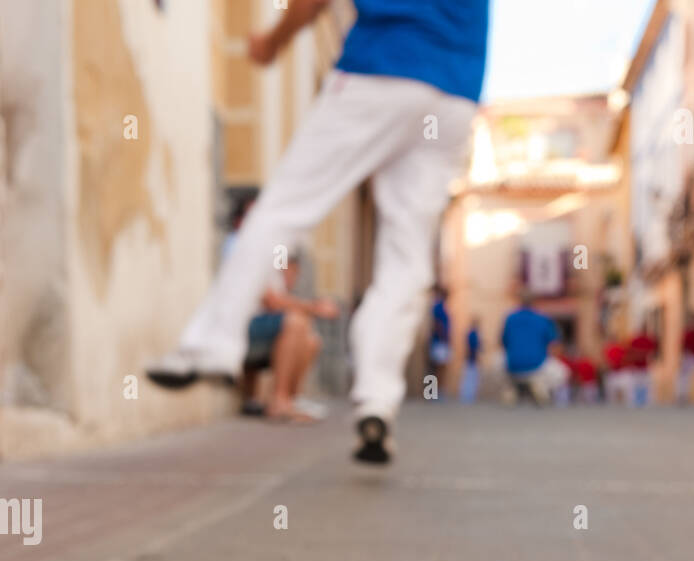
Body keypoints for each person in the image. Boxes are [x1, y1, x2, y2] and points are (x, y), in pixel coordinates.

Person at [146, 0, 490, 465]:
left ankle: (213, 344)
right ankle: (376, 400)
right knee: (407, 260)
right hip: (454, 93)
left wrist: (273, 40)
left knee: (285, 206)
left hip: (380, 68)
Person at [242, 254, 339, 422]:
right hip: (242, 328)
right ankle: (278, 400)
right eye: (293, 273)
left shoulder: (280, 250)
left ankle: (291, 399)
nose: (294, 278)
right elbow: (272, 301)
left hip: (266, 327)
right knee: (295, 322)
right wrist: (315, 307)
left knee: (311, 340)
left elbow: (280, 296)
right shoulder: (270, 250)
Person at [500, 292, 568, 404]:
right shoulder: (542, 319)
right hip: (537, 365)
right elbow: (555, 343)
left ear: (519, 301)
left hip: (512, 366)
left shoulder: (509, 318)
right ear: (534, 302)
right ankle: (540, 385)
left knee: (497, 361)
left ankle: (512, 387)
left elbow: (503, 342)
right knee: (562, 372)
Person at [626, 322, 659, 405]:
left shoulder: (649, 340)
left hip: (645, 367)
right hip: (635, 367)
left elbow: (653, 353)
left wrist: (641, 354)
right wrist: (641, 354)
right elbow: (630, 352)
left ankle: (647, 402)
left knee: (647, 385)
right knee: (634, 385)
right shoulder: (634, 340)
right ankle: (633, 402)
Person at [459, 318, 483, 402]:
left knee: (471, 378)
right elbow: (472, 347)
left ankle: (469, 397)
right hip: (471, 359)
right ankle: (467, 397)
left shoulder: (474, 333)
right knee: (469, 378)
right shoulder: (473, 334)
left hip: (471, 359)